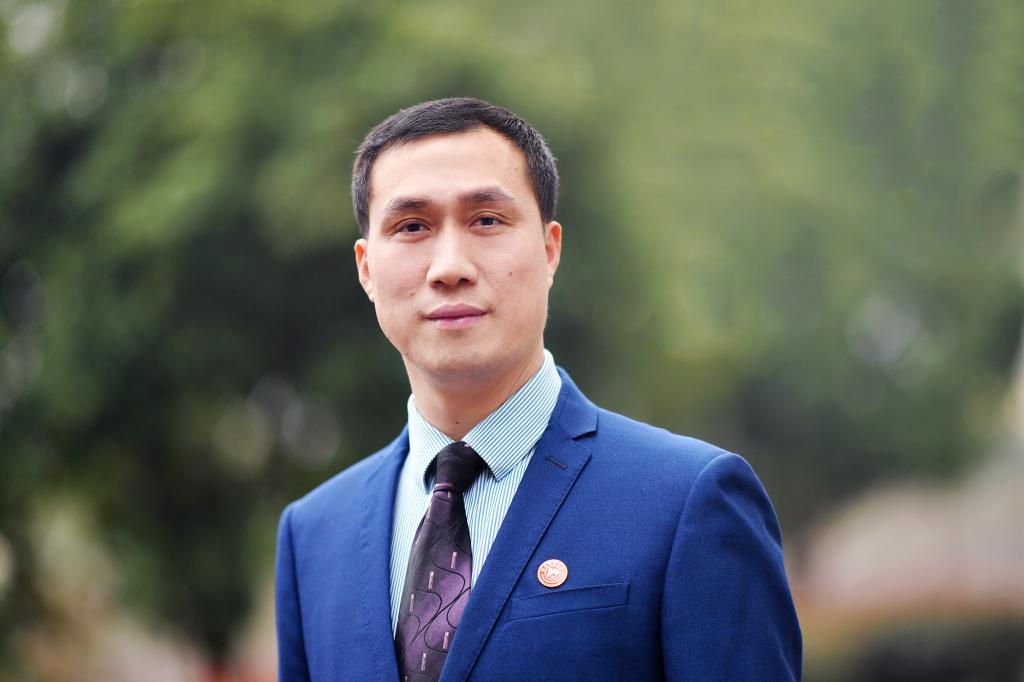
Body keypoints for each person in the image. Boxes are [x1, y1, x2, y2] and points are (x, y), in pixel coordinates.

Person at [275, 97, 802, 681]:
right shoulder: (313, 536)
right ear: (366, 268)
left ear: (550, 250)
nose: (449, 267)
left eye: (486, 220)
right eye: (412, 227)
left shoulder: (688, 502)